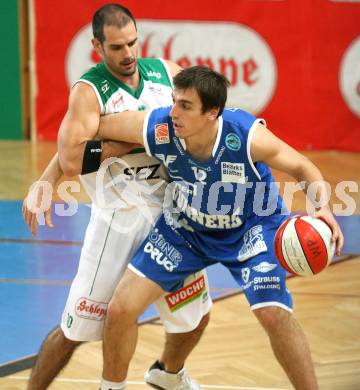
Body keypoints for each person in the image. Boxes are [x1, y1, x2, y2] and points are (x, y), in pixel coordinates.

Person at [87, 65, 344, 390]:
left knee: (273, 314)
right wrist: (102, 149)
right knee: (121, 307)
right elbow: (95, 124)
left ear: (212, 112)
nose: (174, 112)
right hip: (186, 229)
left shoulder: (245, 135)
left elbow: (302, 167)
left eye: (186, 106)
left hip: (251, 229)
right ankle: (113, 387)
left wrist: (322, 208)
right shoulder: (159, 125)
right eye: (174, 101)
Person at [23, 5, 212, 390]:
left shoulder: (166, 73)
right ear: (97, 46)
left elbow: (197, 121)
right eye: (116, 47)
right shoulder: (90, 91)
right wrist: (131, 139)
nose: (127, 53)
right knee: (74, 331)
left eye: (132, 42)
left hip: (170, 219)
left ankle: (167, 373)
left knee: (197, 315)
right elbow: (73, 156)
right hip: (117, 222)